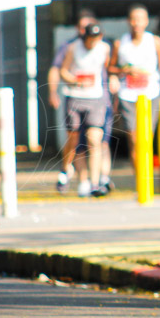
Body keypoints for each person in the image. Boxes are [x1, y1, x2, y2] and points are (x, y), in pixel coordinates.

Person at [48, 11, 114, 196]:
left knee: (95, 139)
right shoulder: (71, 47)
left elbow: (109, 69)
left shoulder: (105, 48)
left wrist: (113, 80)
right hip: (75, 97)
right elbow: (60, 70)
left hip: (96, 97)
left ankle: (94, 183)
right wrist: (68, 84)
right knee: (75, 139)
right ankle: (74, 174)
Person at [109, 4, 160, 172]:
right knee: (135, 140)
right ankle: (140, 179)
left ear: (146, 22)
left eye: (140, 19)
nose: (136, 23)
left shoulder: (155, 42)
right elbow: (110, 67)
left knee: (147, 138)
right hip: (128, 95)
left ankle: (148, 178)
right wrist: (124, 70)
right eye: (133, 19)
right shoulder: (120, 43)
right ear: (128, 21)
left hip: (150, 94)